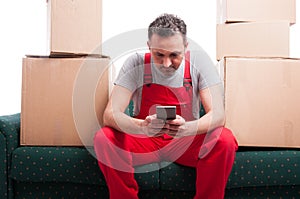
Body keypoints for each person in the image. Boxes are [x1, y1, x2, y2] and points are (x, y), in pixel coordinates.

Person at [94, 13, 238, 199]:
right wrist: (142, 126)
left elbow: (218, 115)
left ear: (186, 47)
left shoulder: (200, 62)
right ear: (149, 47)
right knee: (104, 137)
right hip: (145, 140)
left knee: (224, 139)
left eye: (174, 55)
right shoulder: (135, 62)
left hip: (185, 140)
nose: (166, 63)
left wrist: (188, 128)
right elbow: (111, 114)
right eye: (159, 55)